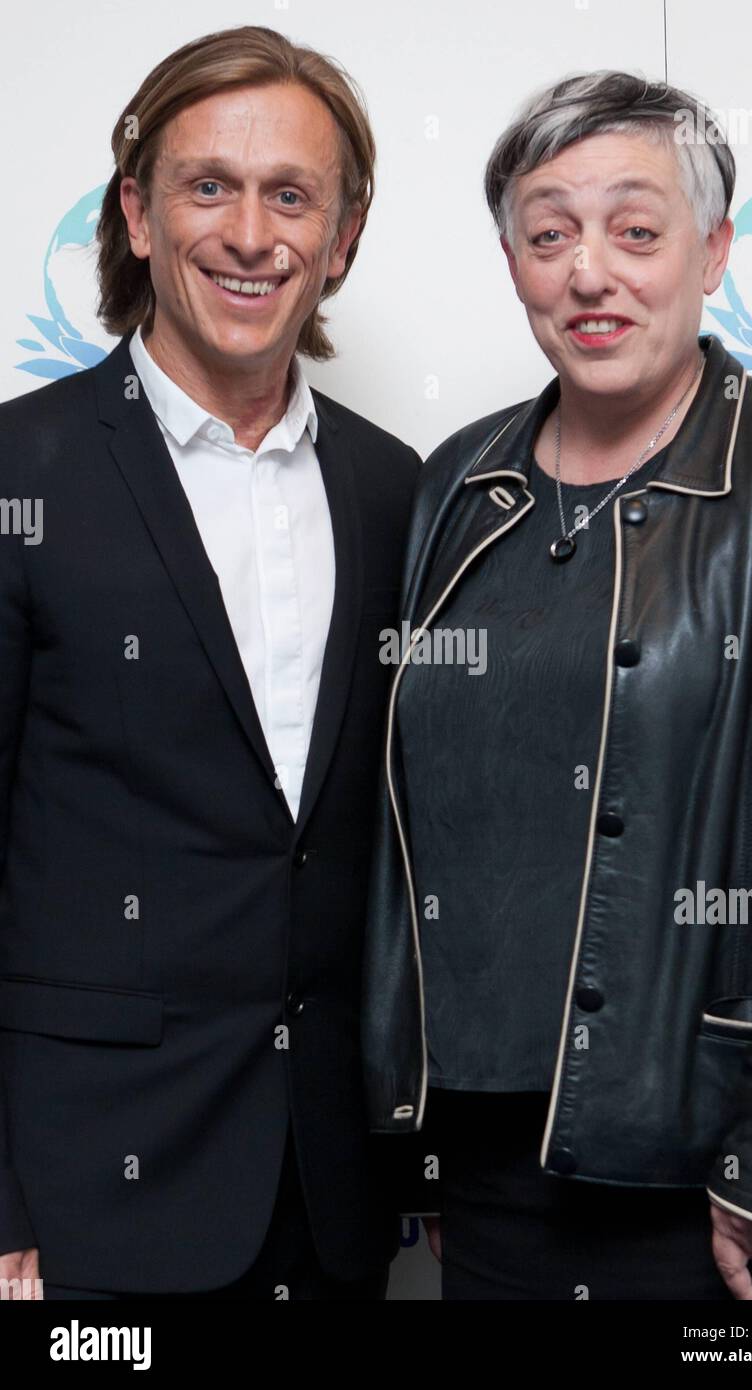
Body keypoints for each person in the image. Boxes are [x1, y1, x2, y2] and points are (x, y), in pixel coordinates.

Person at [362, 70, 752, 1301]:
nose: (589, 273)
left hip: (708, 1168)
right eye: (549, 234)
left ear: (713, 249)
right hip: (483, 1169)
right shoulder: (455, 483)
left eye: (635, 230)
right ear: (511, 259)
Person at [0, 25, 419, 1300]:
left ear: (340, 239)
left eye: (291, 195)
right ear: (136, 213)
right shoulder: (22, 474)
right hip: (82, 1203)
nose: (251, 234)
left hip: (332, 1198)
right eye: (207, 187)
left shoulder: (397, 487)